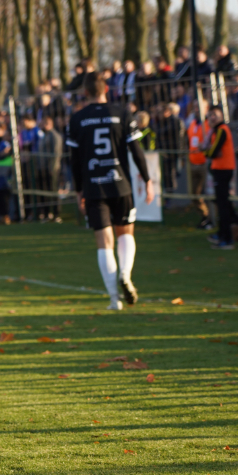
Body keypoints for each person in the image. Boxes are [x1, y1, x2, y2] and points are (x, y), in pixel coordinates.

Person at [66, 72, 154, 310]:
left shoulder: (77, 119)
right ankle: (125, 274)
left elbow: (73, 160)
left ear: (85, 92)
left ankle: (114, 299)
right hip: (121, 184)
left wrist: (78, 190)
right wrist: (147, 179)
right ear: (106, 88)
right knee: (125, 234)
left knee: (104, 242)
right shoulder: (122, 113)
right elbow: (136, 149)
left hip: (94, 187)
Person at [203, 105, 237, 249]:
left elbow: (213, 151)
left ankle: (227, 238)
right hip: (220, 169)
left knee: (223, 205)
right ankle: (222, 234)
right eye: (211, 115)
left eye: (215, 114)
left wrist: (206, 152)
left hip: (223, 169)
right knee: (221, 204)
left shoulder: (222, 130)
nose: (212, 117)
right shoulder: (216, 131)